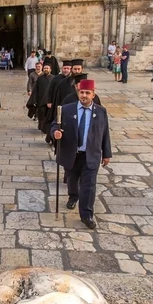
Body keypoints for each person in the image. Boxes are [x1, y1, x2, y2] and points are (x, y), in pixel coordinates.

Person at [52, 79, 112, 230]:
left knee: (89, 185)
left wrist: (107, 154)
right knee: (72, 178)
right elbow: (54, 125)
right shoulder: (67, 109)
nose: (84, 95)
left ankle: (86, 215)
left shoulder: (100, 112)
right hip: (72, 153)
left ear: (93, 94)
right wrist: (56, 133)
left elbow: (105, 133)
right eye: (82, 92)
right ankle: (73, 197)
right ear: (78, 92)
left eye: (87, 93)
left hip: (91, 155)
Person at [26, 60, 54, 134]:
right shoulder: (40, 78)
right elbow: (35, 89)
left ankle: (47, 128)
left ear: (50, 69)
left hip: (49, 100)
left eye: (47, 68)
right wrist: (33, 100)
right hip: (40, 100)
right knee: (41, 115)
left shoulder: (53, 78)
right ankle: (41, 127)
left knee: (48, 115)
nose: (46, 69)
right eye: (45, 68)